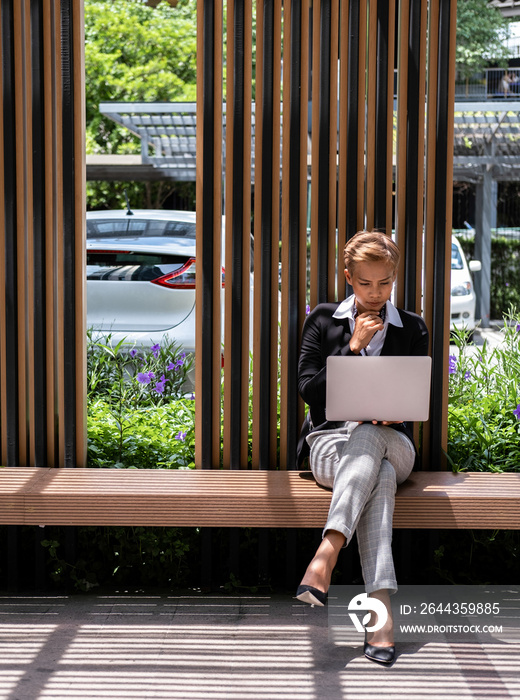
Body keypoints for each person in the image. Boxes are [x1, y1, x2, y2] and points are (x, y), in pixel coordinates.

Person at [295, 230, 429, 665]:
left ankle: (327, 553)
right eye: (366, 283)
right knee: (379, 474)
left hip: (395, 442)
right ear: (349, 277)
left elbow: (417, 401)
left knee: (374, 436)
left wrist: (395, 414)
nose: (375, 294)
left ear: (395, 278)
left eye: (385, 283)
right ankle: (382, 616)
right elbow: (310, 394)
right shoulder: (322, 320)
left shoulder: (412, 328)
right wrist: (351, 349)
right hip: (330, 444)